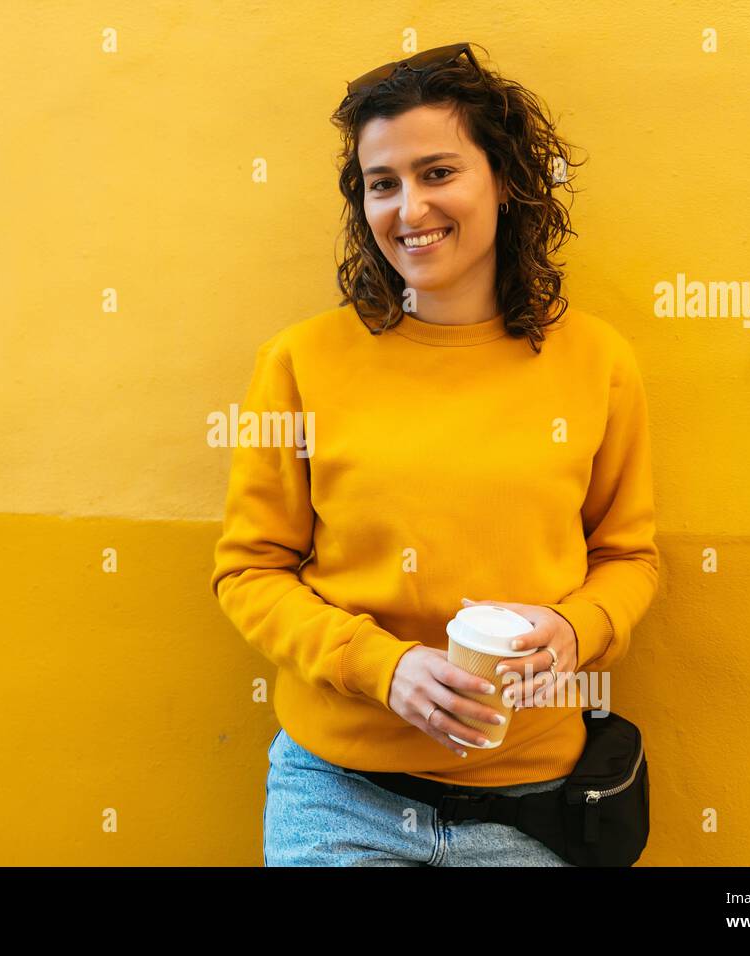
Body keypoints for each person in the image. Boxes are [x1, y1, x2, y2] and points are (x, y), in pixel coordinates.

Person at [209, 42, 660, 866]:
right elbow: (250, 571)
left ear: (505, 179)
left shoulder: (599, 363)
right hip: (341, 795)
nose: (409, 208)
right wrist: (384, 667)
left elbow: (628, 556)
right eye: (383, 183)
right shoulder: (301, 361)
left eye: (438, 172)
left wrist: (576, 627)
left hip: (531, 807)